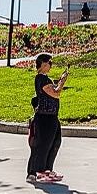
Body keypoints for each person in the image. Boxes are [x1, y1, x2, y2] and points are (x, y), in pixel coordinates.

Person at [29, 53, 69, 182]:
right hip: (44, 117)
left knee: (55, 143)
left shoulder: (46, 79)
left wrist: (58, 83)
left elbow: (53, 90)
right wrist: (62, 81)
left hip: (52, 116)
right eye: (49, 63)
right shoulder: (41, 79)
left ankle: (47, 169)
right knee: (43, 145)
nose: (51, 66)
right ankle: (36, 172)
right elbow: (56, 93)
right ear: (44, 64)